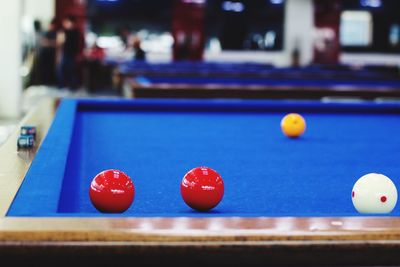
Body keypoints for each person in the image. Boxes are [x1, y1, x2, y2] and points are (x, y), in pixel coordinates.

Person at [57, 15, 83, 89]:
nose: (64, 23)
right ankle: (65, 85)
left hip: (71, 55)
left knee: (71, 71)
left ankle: (71, 86)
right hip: (66, 54)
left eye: (66, 22)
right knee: (64, 70)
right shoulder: (65, 31)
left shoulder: (74, 32)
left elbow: (60, 43)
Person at [38, 18, 58, 85]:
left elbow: (57, 43)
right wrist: (51, 43)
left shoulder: (56, 33)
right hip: (45, 54)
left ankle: (50, 82)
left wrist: (48, 42)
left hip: (52, 54)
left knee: (51, 69)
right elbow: (42, 42)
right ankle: (44, 82)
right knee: (44, 69)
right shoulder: (46, 32)